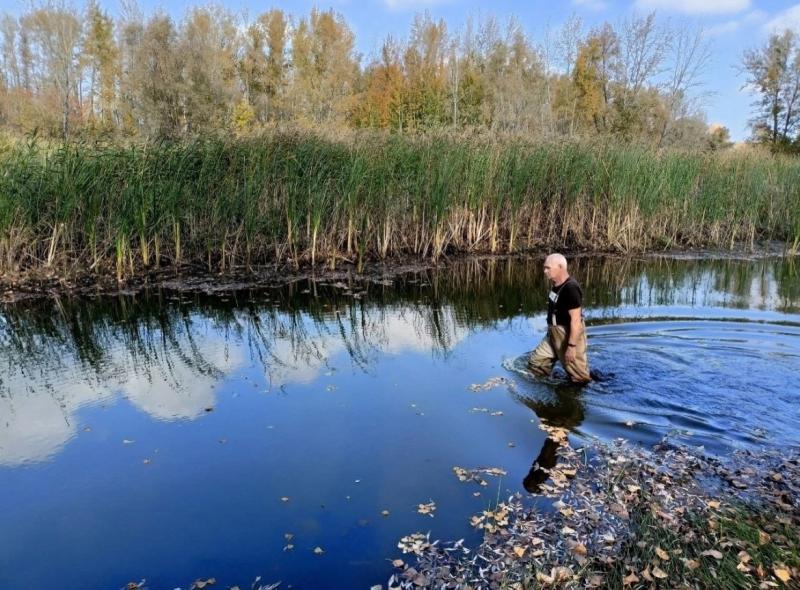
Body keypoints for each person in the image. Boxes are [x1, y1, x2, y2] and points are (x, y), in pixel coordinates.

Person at [527, 253, 591, 384]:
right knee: (537, 362)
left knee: (579, 377)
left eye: (548, 268)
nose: (544, 271)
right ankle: (547, 385)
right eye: (544, 268)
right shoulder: (557, 286)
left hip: (567, 334)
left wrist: (571, 346)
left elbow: (576, 320)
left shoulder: (571, 288)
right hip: (553, 333)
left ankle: (585, 394)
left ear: (560, 267)